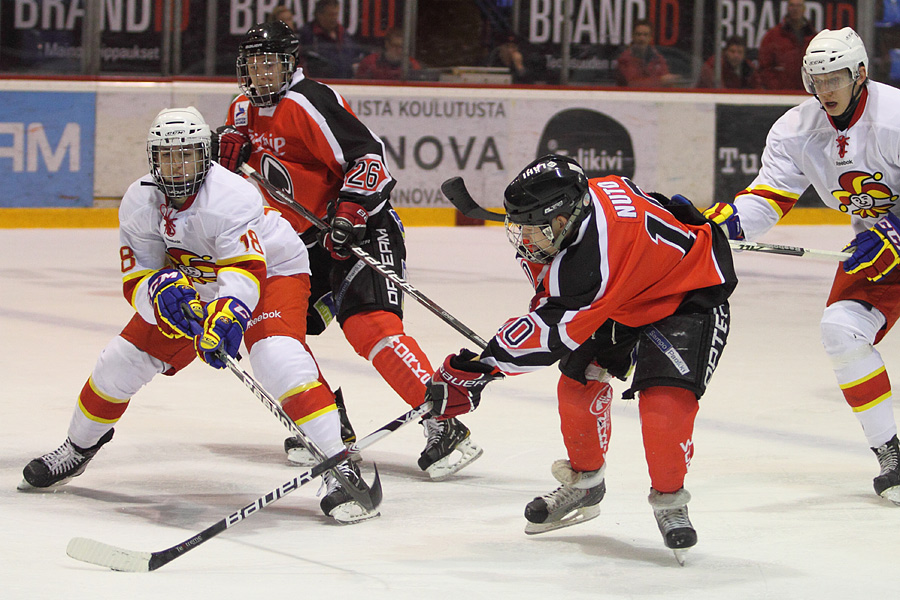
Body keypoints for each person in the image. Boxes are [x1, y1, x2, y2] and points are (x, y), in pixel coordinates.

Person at [16, 107, 378, 524]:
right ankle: (76, 449)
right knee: (119, 362)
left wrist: (227, 318)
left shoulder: (231, 195)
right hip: (197, 279)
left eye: (186, 154)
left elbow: (245, 271)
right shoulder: (139, 200)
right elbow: (137, 277)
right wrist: (161, 297)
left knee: (279, 359)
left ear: (204, 154)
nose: (176, 164)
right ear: (153, 158)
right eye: (167, 155)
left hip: (272, 271)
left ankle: (339, 465)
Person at [425, 154, 737, 561]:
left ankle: (670, 501)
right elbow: (646, 198)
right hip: (625, 294)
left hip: (687, 293)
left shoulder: (593, 262)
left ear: (563, 219)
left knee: (663, 403)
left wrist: (479, 369)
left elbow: (550, 333)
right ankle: (586, 484)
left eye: (535, 229)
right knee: (577, 385)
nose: (527, 240)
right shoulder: (584, 206)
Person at [215, 21, 482, 480]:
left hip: (359, 229)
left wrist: (351, 211)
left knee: (369, 327)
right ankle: (326, 423)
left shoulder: (308, 101)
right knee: (276, 332)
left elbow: (368, 157)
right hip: (302, 244)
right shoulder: (241, 111)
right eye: (253, 63)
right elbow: (239, 185)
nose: (261, 73)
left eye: (270, 63)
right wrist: (224, 156)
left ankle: (443, 425)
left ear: (290, 64)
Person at [704, 28, 900, 505]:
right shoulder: (796, 129)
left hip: (889, 239)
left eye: (835, 78)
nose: (825, 90)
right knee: (841, 328)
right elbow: (767, 201)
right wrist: (721, 226)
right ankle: (891, 453)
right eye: (816, 80)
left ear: (860, 75)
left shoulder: (895, 117)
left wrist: (895, 231)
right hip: (880, 248)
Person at [757, 0, 816, 90]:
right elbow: (764, 67)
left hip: (806, 92)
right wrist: (775, 88)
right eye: (792, 5)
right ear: (787, 8)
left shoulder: (813, 36)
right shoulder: (773, 36)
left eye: (799, 6)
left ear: (804, 9)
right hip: (780, 95)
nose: (795, 9)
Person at [297, 0, 362, 79]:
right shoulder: (307, 35)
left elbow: (354, 56)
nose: (334, 18)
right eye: (330, 15)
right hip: (321, 81)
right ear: (319, 15)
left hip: (345, 81)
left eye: (336, 14)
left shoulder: (343, 34)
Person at [614, 19, 680, 88]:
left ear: (651, 38)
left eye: (645, 35)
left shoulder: (658, 58)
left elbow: (666, 80)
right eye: (638, 34)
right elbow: (632, 84)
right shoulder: (625, 59)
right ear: (633, 37)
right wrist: (660, 81)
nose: (642, 38)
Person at [355, 27, 421, 80]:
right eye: (395, 46)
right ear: (387, 44)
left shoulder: (412, 65)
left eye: (402, 47)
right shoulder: (370, 62)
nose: (399, 50)